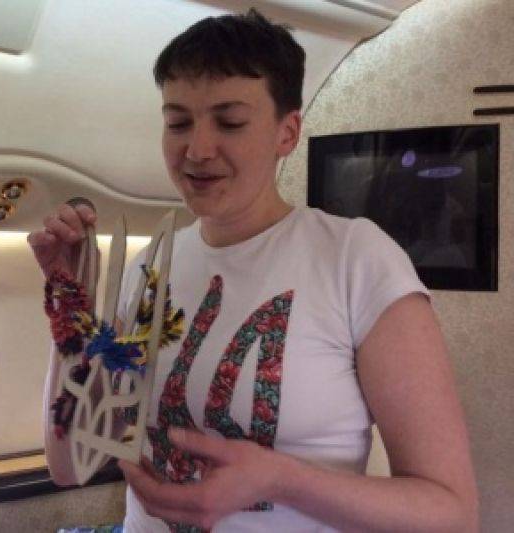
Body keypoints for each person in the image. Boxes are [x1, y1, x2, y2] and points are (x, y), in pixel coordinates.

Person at [28, 9, 478, 532]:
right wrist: (72, 307)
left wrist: (281, 480)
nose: (197, 149)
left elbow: (453, 514)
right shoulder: (151, 265)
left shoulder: (356, 260)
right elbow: (69, 464)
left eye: (230, 122)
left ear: (287, 133)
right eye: (178, 122)